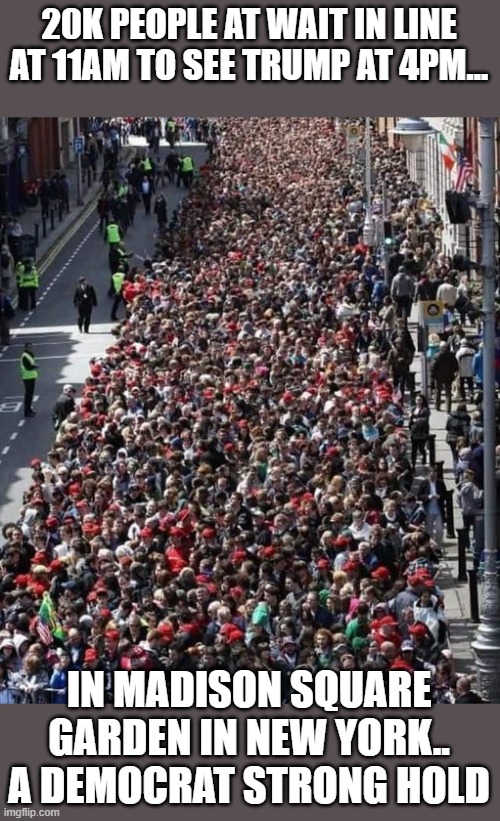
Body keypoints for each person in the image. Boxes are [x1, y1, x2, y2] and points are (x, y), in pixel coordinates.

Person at [431, 342, 458, 413]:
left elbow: (433, 366)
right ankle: (448, 409)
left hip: (438, 376)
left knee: (438, 391)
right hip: (448, 376)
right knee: (448, 393)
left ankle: (437, 406)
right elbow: (455, 366)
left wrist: (432, 375)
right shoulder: (451, 355)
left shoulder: (436, 355)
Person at [409, 394, 430, 469]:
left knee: (421, 447)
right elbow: (411, 420)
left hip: (422, 431)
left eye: (419, 400)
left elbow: (425, 420)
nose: (418, 401)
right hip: (414, 431)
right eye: (417, 400)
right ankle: (413, 465)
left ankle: (423, 454)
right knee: (414, 449)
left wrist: (416, 420)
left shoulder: (425, 409)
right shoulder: (413, 409)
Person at [20, 341, 38, 418]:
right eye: (30, 347)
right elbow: (28, 367)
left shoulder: (29, 354)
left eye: (32, 347)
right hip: (27, 377)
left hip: (31, 377)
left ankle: (29, 409)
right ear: (26, 348)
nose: (32, 348)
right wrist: (34, 366)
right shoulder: (24, 356)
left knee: (30, 395)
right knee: (28, 395)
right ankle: (27, 411)